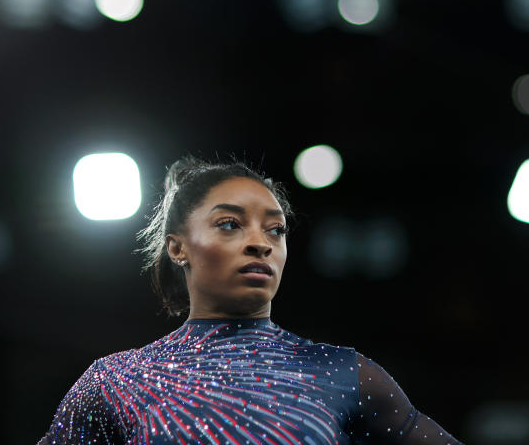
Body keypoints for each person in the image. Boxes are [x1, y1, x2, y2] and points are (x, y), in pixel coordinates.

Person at [38, 156, 463, 444]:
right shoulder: (116, 382)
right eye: (229, 224)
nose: (260, 243)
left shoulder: (343, 374)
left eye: (275, 230)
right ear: (178, 248)